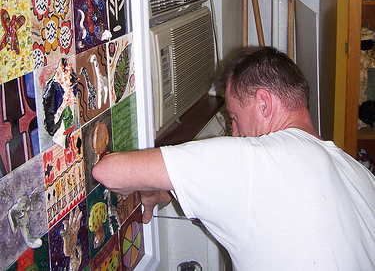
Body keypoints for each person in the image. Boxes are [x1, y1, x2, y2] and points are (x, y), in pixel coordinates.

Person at [92, 46, 375, 270]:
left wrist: (141, 180)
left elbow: (109, 171)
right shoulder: (359, 173)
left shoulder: (256, 160)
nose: (235, 133)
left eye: (235, 118)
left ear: (264, 104)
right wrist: (168, 188)